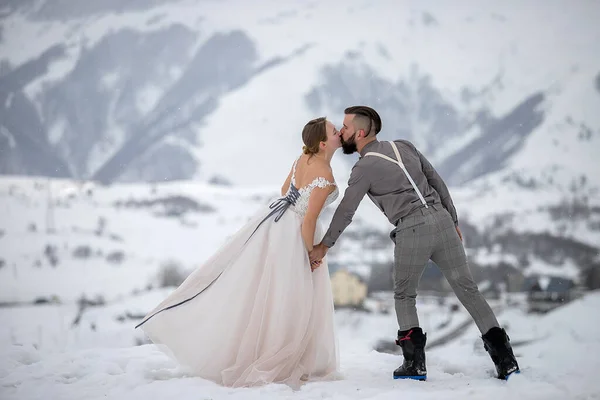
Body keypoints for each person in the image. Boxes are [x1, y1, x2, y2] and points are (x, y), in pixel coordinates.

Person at [309, 106, 520, 381]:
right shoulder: (404, 146)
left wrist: (325, 245)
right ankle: (506, 362)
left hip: (411, 228)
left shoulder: (364, 167)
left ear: (359, 133)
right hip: (442, 221)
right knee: (469, 291)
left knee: (405, 295)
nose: (342, 130)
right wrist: (453, 221)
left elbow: (346, 211)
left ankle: (414, 365)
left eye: (346, 127)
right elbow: (437, 182)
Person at [135, 117, 342, 388]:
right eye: (335, 131)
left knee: (270, 293)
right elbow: (309, 221)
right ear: (324, 143)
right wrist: (309, 253)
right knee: (292, 297)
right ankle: (285, 355)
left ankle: (262, 347)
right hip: (296, 236)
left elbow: (284, 190)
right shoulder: (324, 175)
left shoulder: (301, 159)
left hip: (276, 224)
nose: (340, 132)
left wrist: (297, 203)